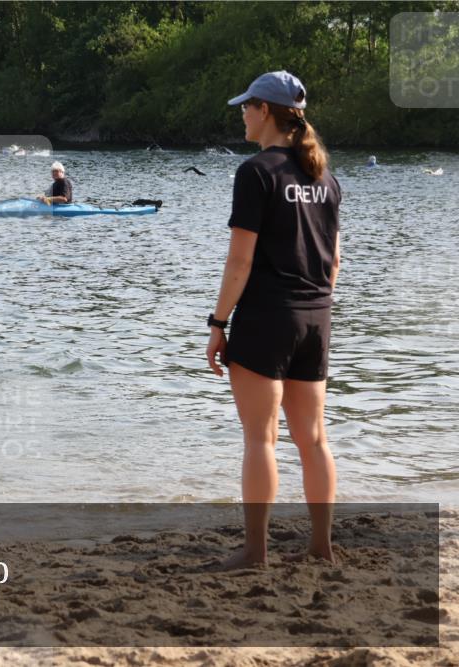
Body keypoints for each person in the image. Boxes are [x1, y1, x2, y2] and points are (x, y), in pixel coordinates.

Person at [206, 71, 341, 569]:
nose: (241, 113)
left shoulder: (256, 172)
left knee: (260, 438)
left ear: (265, 110)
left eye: (246, 106)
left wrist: (218, 323)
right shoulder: (325, 176)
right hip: (315, 318)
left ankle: (255, 551)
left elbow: (240, 262)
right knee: (315, 439)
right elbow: (333, 264)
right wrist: (311, 308)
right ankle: (321, 547)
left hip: (266, 318)